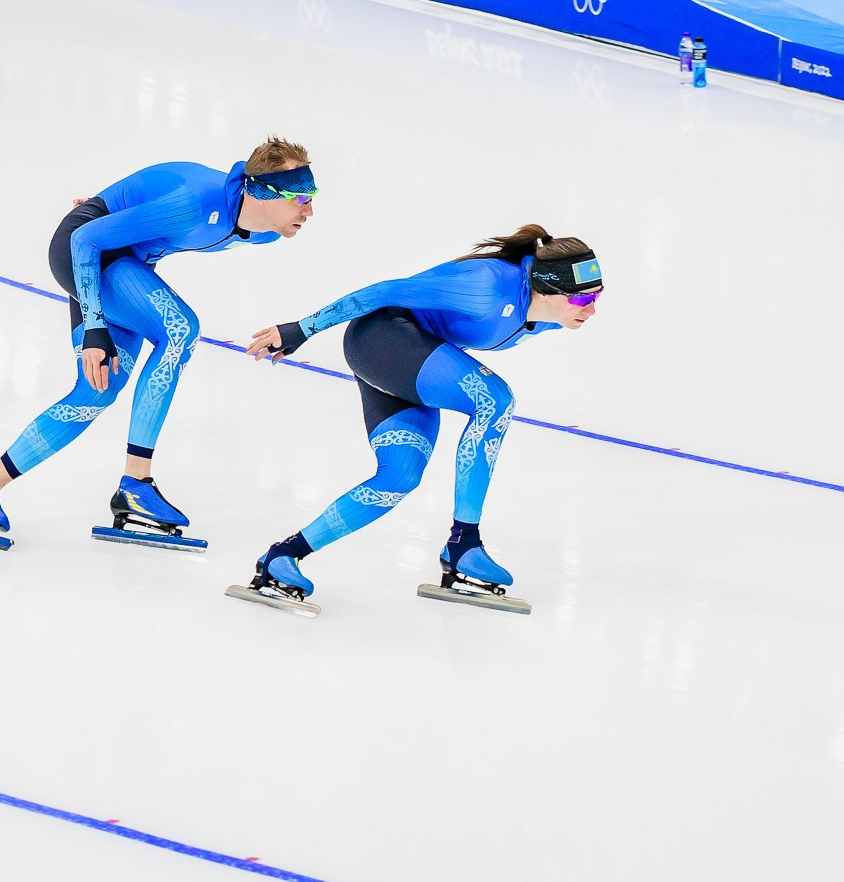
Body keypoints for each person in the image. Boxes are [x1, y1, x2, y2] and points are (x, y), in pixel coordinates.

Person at [0, 140, 316, 551]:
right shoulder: (194, 203)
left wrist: (117, 206)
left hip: (125, 262)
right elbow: (85, 238)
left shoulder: (265, 234)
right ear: (260, 193)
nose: (309, 212)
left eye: (311, 198)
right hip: (85, 249)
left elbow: (149, 194)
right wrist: (95, 326)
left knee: (95, 392)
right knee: (180, 329)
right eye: (299, 199)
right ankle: (137, 483)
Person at [233, 227, 603, 614]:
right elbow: (382, 292)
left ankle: (284, 556)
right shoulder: (488, 285)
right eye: (581, 297)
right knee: (494, 399)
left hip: (410, 361)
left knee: (400, 476)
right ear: (545, 288)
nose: (591, 308)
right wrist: (301, 329)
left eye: (596, 297)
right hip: (382, 339)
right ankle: (464, 541)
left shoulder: (547, 318)